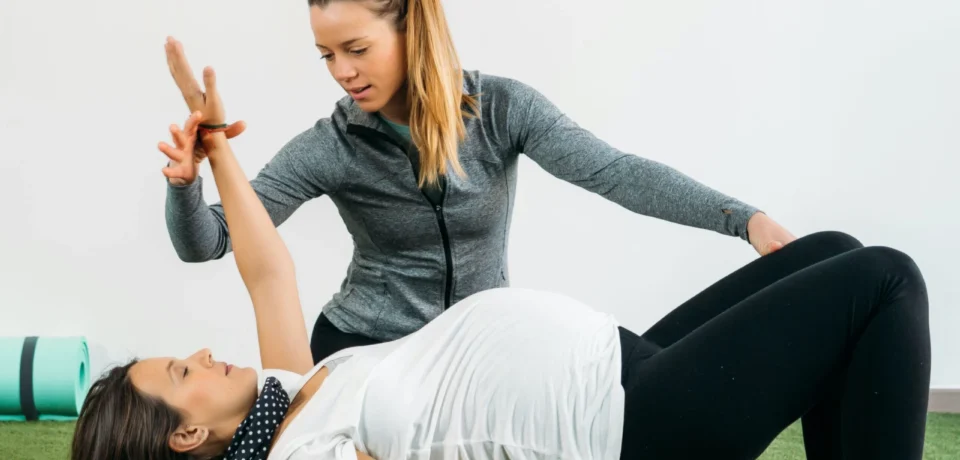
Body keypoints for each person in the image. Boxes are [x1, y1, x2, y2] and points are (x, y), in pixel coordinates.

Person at [70, 111, 929, 460]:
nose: (200, 355)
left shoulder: (290, 395)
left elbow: (268, 271)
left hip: (622, 364)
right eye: (180, 374)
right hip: (630, 428)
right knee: (883, 282)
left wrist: (216, 153)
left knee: (831, 251)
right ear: (184, 440)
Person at [161, 0, 800, 365]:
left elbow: (615, 173)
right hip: (367, 350)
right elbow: (211, 241)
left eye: (356, 48)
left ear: (411, 24)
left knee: (644, 378)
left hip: (487, 342)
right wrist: (188, 182)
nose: (342, 73)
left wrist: (743, 219)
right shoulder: (331, 145)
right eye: (327, 55)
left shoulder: (501, 109)